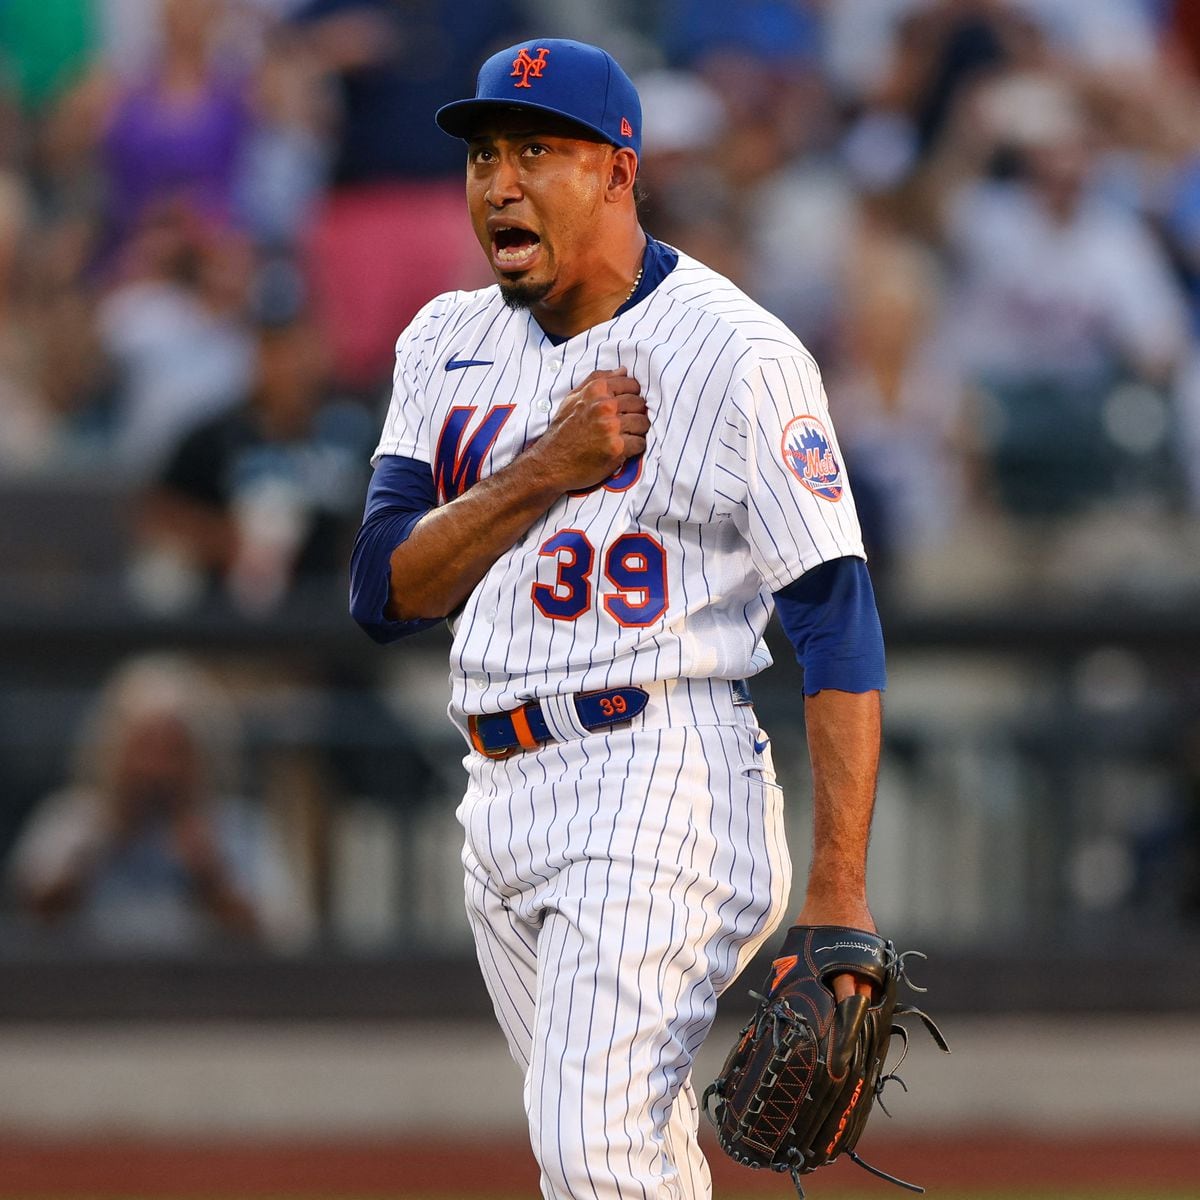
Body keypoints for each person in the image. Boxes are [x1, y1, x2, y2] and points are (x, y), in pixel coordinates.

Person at [349, 38, 886, 1200]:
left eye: (536, 149)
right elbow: (383, 594)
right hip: (497, 793)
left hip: (661, 779)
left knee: (593, 1152)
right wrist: (542, 470)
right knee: (615, 1167)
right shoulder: (442, 343)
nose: (499, 182)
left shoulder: (736, 352)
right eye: (485, 154)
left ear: (618, 172)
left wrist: (838, 884)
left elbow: (837, 619)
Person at [6, 654, 304, 953]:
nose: (157, 769)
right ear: (114, 752)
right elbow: (29, 922)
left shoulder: (241, 827)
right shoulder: (70, 818)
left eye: (174, 752)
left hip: (212, 994)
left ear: (203, 756)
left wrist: (208, 874)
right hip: (90, 993)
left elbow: (280, 939)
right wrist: (101, 844)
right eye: (143, 750)